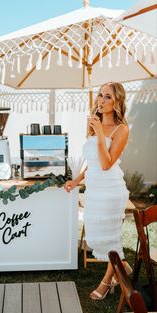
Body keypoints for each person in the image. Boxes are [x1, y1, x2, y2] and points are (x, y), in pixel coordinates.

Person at [64, 82, 132, 300]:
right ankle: (122, 266)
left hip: (111, 191)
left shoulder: (122, 130)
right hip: (94, 192)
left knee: (111, 239)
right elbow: (93, 162)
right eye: (100, 96)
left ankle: (105, 282)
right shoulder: (95, 124)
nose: (101, 101)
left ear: (117, 102)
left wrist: (101, 133)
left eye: (108, 97)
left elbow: (106, 164)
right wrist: (76, 180)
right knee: (97, 238)